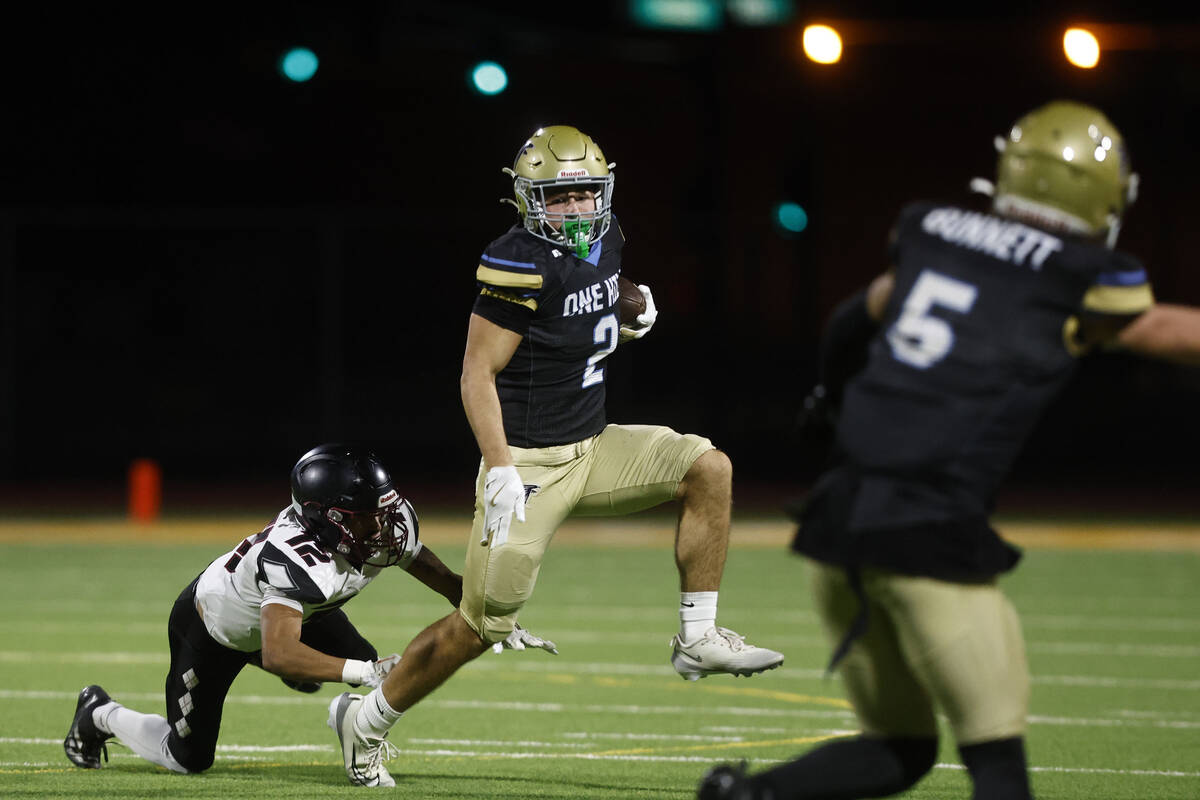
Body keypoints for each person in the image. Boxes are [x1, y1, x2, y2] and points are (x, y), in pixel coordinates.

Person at [697, 100, 1200, 800]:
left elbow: (854, 318)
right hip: (926, 529)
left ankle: (745, 796)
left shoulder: (935, 230)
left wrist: (830, 399)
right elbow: (1162, 331)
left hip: (837, 522)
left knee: (899, 750)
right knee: (998, 766)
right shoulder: (1078, 273)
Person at [324, 124, 785, 787]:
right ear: (527, 199)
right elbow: (475, 377)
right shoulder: (514, 261)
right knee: (481, 624)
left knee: (707, 466)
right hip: (529, 465)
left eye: (584, 194)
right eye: (559, 196)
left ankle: (699, 637)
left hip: (594, 446)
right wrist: (502, 466)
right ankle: (364, 720)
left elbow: (598, 288)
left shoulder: (608, 234)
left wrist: (631, 302)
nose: (575, 209)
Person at [62, 442, 553, 778]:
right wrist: (361, 671)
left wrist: (488, 613)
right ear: (328, 519)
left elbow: (432, 570)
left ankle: (344, 718)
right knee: (187, 758)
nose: (383, 526)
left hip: (298, 614)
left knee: (357, 664)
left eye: (383, 511)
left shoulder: (376, 529)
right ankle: (99, 712)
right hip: (214, 631)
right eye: (367, 518)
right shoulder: (295, 556)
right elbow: (277, 650)